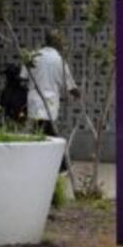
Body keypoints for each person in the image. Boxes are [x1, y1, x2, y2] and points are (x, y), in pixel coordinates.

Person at [23, 30, 79, 168]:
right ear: (55, 42)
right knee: (48, 132)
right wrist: (77, 94)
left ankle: (50, 163)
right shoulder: (59, 60)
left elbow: (23, 77)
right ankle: (61, 164)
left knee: (41, 131)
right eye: (59, 40)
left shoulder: (32, 56)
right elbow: (69, 83)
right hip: (50, 102)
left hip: (34, 100)